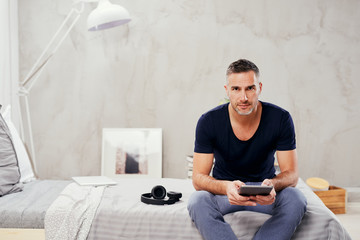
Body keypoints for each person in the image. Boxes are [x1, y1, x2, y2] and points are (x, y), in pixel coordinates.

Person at [187, 59, 307, 240]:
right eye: (236, 89)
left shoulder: (280, 118)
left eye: (249, 88)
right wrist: (226, 187)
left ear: (259, 88)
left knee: (296, 198)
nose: (243, 98)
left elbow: (291, 174)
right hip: (225, 194)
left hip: (265, 192)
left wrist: (271, 185)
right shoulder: (209, 121)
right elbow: (198, 178)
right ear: (227, 90)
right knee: (197, 201)